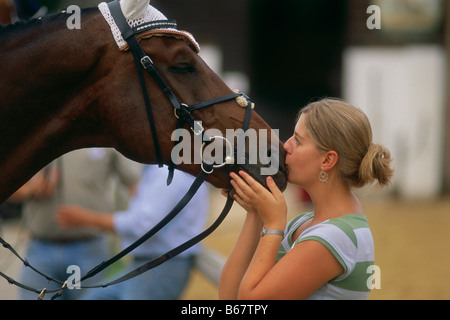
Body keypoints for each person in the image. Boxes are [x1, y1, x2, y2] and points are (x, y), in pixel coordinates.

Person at [219, 98, 393, 300]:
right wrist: (256, 212)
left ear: (327, 160)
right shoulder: (305, 225)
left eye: (298, 140)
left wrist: (274, 224)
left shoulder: (333, 238)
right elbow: (228, 297)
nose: (286, 146)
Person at [55, 165, 209, 300]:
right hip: (149, 265)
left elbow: (142, 225)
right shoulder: (166, 171)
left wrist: (86, 219)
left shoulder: (168, 174)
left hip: (159, 268)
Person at [10, 148, 141, 300]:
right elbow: (7, 185)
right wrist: (31, 189)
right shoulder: (36, 134)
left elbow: (136, 188)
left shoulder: (105, 134)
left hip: (88, 251)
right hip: (40, 251)